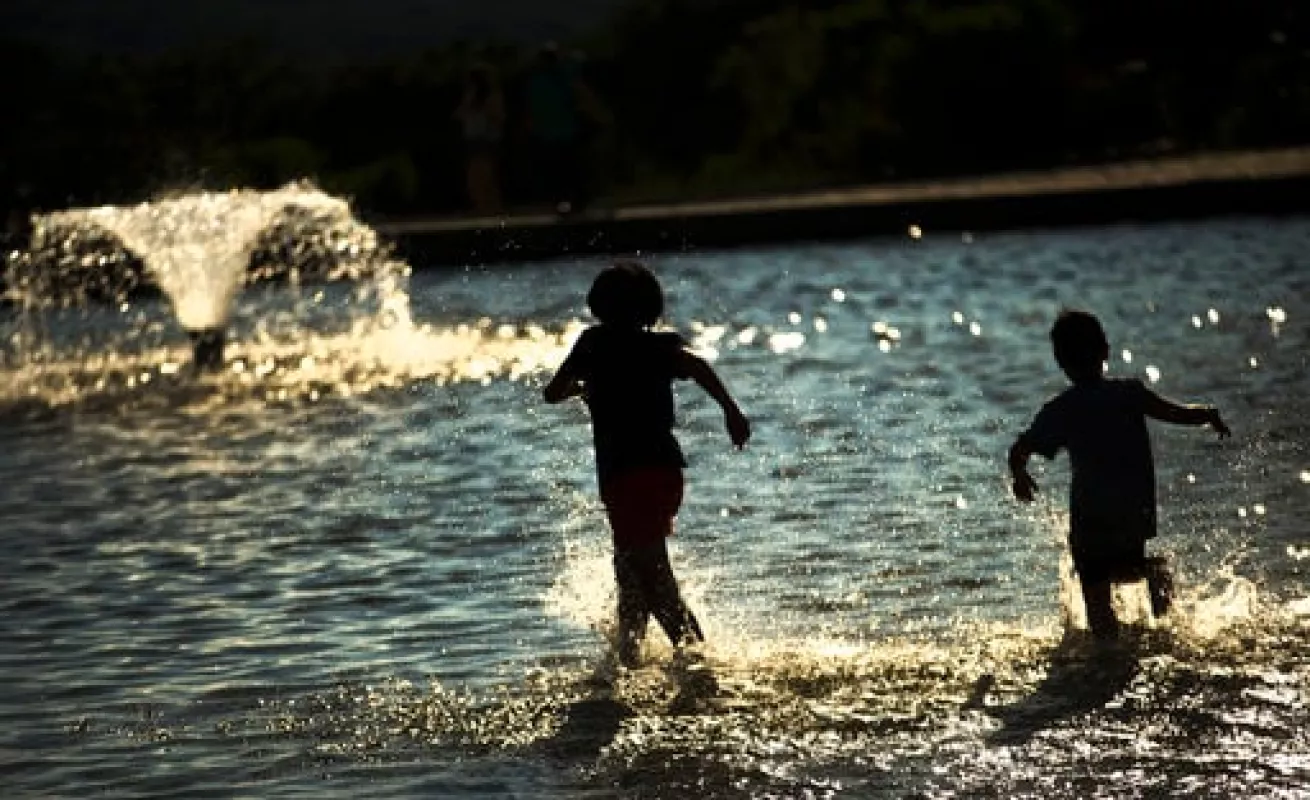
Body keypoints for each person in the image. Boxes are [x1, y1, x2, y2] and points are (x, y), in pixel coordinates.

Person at [543, 261, 751, 667]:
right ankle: (629, 661)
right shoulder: (659, 348)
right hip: (661, 472)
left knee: (651, 576)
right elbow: (697, 366)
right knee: (631, 570)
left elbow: (552, 393)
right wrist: (731, 411)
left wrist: (581, 388)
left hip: (625, 475)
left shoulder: (592, 345)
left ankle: (694, 660)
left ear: (598, 305)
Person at [1008, 309, 1231, 639]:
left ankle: (1106, 655)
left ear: (1060, 362)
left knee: (1096, 588)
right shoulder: (1129, 394)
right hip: (1133, 508)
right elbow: (1175, 412)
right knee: (1130, 565)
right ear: (1106, 351)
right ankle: (1164, 614)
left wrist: (1020, 476)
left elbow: (1020, 448)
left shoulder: (1062, 409)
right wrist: (1207, 414)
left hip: (1092, 515)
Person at [453, 62, 505, 214]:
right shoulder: (472, 95)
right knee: (478, 176)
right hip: (477, 138)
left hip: (484, 139)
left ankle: (490, 207)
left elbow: (497, 117)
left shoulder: (490, 95)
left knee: (483, 176)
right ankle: (485, 207)